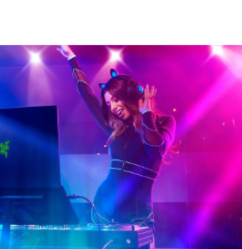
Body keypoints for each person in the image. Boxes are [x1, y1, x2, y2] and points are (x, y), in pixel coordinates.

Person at [57, 45, 176, 235]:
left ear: (128, 96)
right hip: (103, 210)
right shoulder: (116, 128)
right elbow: (87, 94)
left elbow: (155, 149)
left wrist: (146, 114)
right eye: (108, 103)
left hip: (139, 217)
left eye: (115, 99)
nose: (112, 107)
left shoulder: (165, 123)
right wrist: (72, 57)